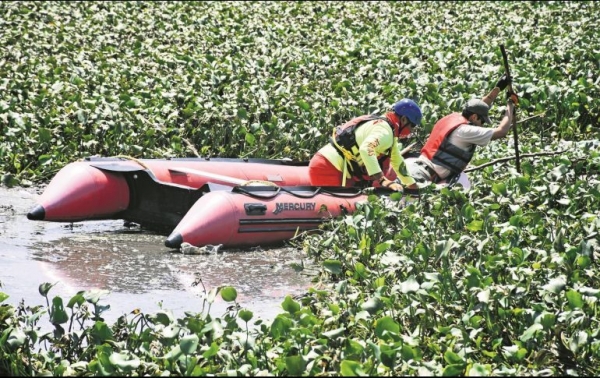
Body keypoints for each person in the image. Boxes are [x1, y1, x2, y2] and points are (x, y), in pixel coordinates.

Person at [407, 75, 518, 186]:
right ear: (474, 117)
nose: (481, 125)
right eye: (482, 122)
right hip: (422, 176)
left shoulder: (453, 118)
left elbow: (479, 105)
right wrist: (510, 105)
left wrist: (498, 88)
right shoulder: (466, 131)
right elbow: (501, 131)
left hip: (416, 167)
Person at [308, 99, 422, 192]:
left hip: (326, 164)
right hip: (328, 168)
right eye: (412, 126)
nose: (411, 131)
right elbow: (367, 148)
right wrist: (383, 180)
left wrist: (412, 185)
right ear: (403, 119)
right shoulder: (385, 132)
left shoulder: (386, 128)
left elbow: (397, 161)